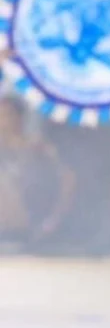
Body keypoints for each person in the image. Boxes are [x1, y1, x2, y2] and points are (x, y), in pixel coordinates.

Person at [0, 95, 75, 252]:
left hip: (27, 228)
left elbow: (68, 179)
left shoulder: (36, 147)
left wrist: (53, 220)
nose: (3, 120)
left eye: (7, 115)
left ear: (19, 118)